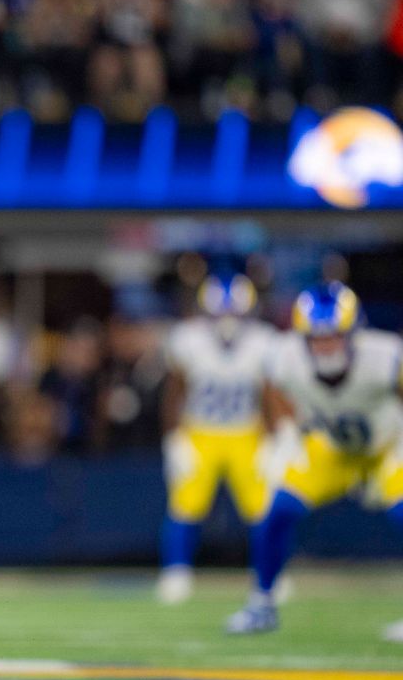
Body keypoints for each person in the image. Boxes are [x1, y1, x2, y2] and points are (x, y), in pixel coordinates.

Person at [226, 282, 403, 639]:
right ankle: (262, 604)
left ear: (354, 332)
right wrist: (284, 430)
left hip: (390, 445)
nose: (325, 345)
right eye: (316, 338)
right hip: (332, 449)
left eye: (334, 336)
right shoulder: (284, 356)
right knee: (277, 511)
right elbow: (271, 386)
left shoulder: (386, 357)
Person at [157, 274, 276, 604]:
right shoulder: (188, 339)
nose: (226, 322)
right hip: (200, 431)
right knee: (185, 505)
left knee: (264, 508)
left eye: (233, 314)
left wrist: (275, 439)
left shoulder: (263, 342)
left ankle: (268, 574)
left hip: (246, 432)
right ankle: (175, 572)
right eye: (219, 314)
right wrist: (174, 438)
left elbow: (270, 395)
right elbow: (174, 391)